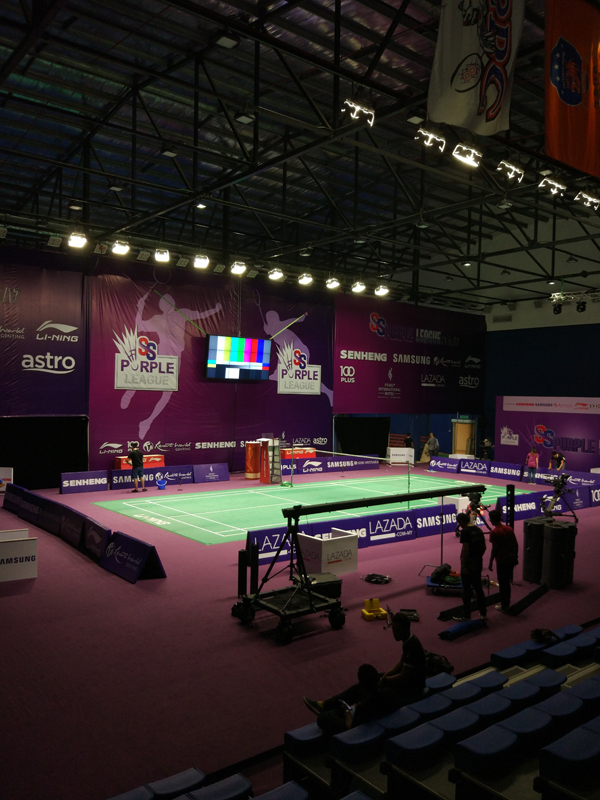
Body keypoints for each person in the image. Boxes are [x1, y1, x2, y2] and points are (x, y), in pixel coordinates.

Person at [303, 613, 426, 726]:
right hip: (409, 683)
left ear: (405, 629)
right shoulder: (409, 640)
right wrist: (386, 675)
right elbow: (400, 663)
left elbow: (404, 676)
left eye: (397, 630)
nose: (394, 633)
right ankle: (330, 704)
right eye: (393, 629)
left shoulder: (412, 647)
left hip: (411, 689)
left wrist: (385, 680)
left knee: (368, 686)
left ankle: (330, 706)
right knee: (376, 678)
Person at [453, 511, 487, 622]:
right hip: (478, 563)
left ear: (461, 521)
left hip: (469, 565)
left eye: (459, 523)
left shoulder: (465, 531)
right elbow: (484, 547)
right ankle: (483, 613)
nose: (460, 526)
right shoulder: (478, 529)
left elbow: (466, 549)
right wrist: (478, 557)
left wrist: (464, 565)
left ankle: (466, 615)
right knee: (478, 588)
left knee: (466, 591)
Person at [488, 509, 518, 613]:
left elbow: (494, 548)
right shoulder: (509, 528)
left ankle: (504, 605)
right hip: (511, 559)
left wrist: (491, 561)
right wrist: (515, 556)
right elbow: (515, 544)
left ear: (492, 520)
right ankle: (506, 603)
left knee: (502, 583)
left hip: (502, 560)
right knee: (507, 582)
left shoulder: (494, 532)